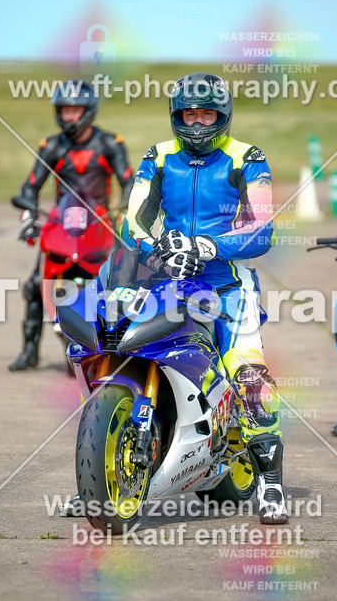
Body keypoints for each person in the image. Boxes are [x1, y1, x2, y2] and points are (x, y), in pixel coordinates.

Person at [120, 72, 287, 525]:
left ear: (223, 116)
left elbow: (262, 229)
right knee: (125, 353)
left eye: (207, 115)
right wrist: (157, 248)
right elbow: (133, 221)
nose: (197, 123)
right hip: (169, 280)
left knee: (249, 376)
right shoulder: (157, 156)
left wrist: (212, 246)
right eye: (189, 114)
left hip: (228, 285)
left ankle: (271, 484)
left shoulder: (247, 158)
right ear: (175, 116)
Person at [9, 79, 133, 371]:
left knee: (119, 286)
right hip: (62, 225)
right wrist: (28, 217)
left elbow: (129, 182)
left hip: (101, 224)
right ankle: (30, 352)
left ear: (88, 111)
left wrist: (123, 213)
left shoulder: (110, 143)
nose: (69, 117)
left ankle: (119, 351)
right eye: (65, 110)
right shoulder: (51, 145)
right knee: (34, 285)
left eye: (75, 110)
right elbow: (29, 188)